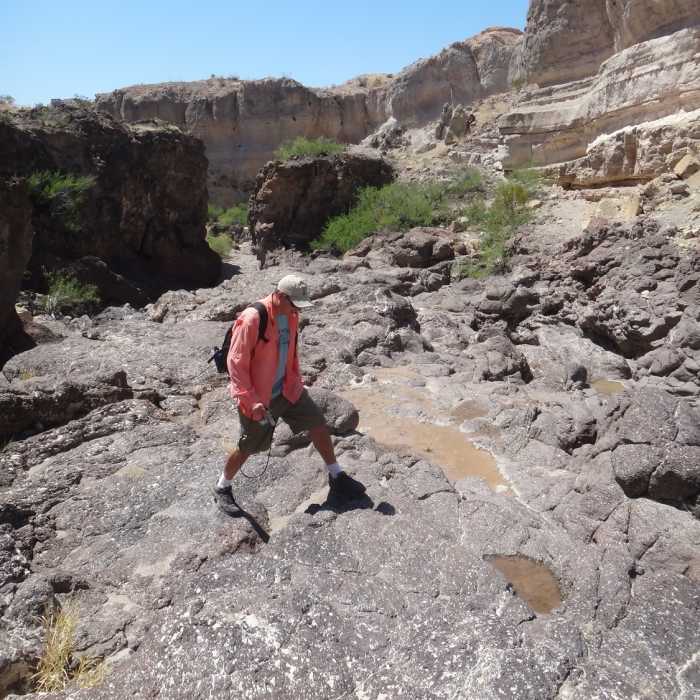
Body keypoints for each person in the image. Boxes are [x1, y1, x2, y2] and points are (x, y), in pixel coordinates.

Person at [213, 274, 366, 514]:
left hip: (289, 389)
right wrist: (250, 401)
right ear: (281, 296)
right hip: (259, 398)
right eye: (295, 303)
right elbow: (236, 364)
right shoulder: (253, 318)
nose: (297, 309)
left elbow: (290, 351)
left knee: (317, 424)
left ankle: (337, 476)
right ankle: (222, 487)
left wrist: (297, 380)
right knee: (248, 447)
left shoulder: (292, 315)